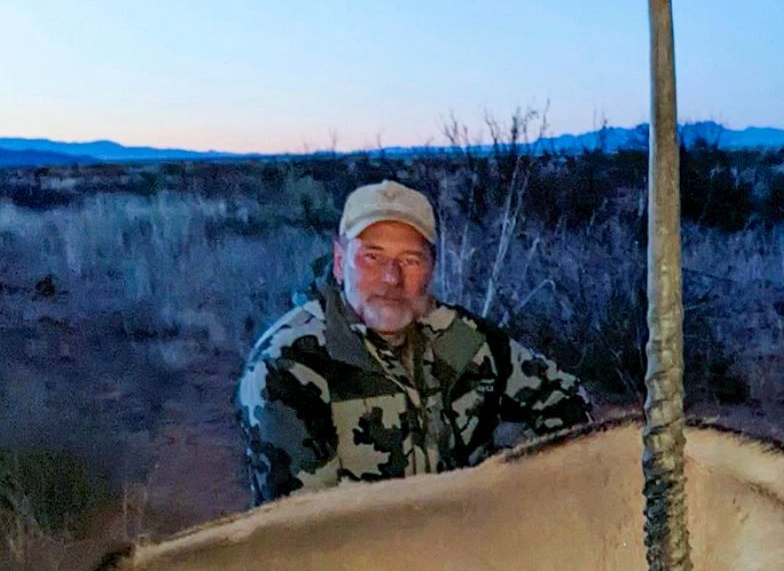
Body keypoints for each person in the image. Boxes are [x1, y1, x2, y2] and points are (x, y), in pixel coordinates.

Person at [237, 179, 592, 504]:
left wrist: (511, 484)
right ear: (340, 262)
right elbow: (305, 523)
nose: (391, 278)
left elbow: (567, 399)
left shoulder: (460, 338)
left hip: (471, 538)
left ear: (431, 268)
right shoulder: (290, 363)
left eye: (410, 260)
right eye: (372, 257)